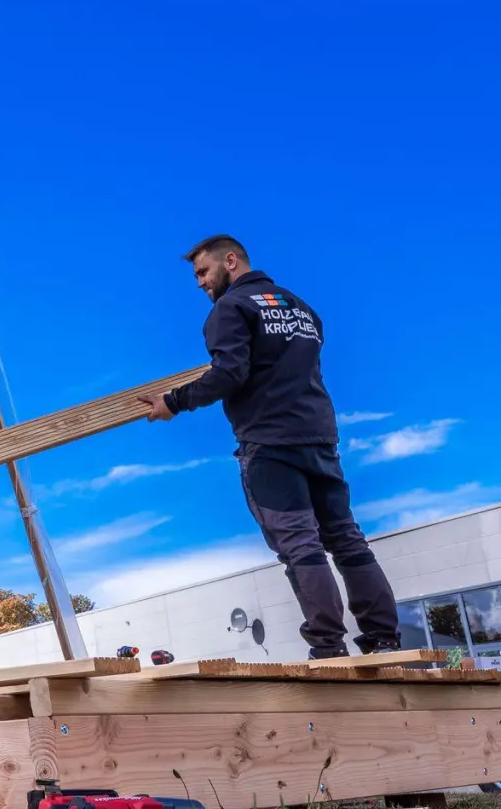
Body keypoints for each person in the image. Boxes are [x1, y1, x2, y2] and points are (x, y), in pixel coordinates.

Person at [138, 235, 400, 659]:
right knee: (347, 540)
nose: (200, 284)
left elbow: (230, 374)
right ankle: (383, 639)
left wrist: (173, 402)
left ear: (231, 260)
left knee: (300, 545)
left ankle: (329, 649)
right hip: (319, 439)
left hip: (270, 443)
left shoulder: (231, 308)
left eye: (203, 272)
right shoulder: (302, 309)